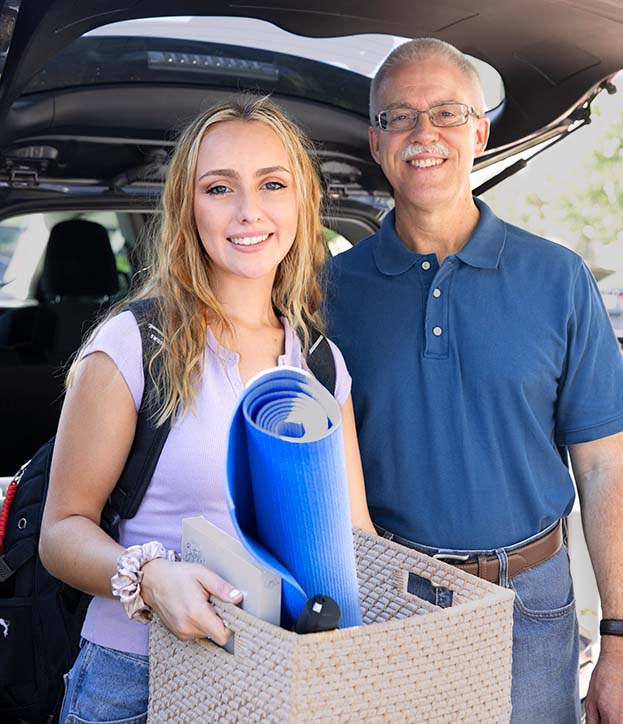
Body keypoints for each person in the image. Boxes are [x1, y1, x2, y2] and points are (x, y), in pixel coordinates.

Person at [39, 95, 376, 723]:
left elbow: (354, 536)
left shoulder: (323, 365)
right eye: (220, 188)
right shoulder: (134, 344)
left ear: (301, 201)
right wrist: (149, 577)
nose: (249, 212)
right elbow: (60, 534)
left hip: (278, 678)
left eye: (272, 184)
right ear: (188, 209)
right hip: (135, 680)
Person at [324, 38, 623, 724]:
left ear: (479, 132)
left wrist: (615, 637)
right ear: (375, 142)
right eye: (398, 117)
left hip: (532, 605)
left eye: (446, 114)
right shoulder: (327, 292)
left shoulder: (557, 278)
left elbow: (605, 466)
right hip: (389, 602)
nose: (422, 134)